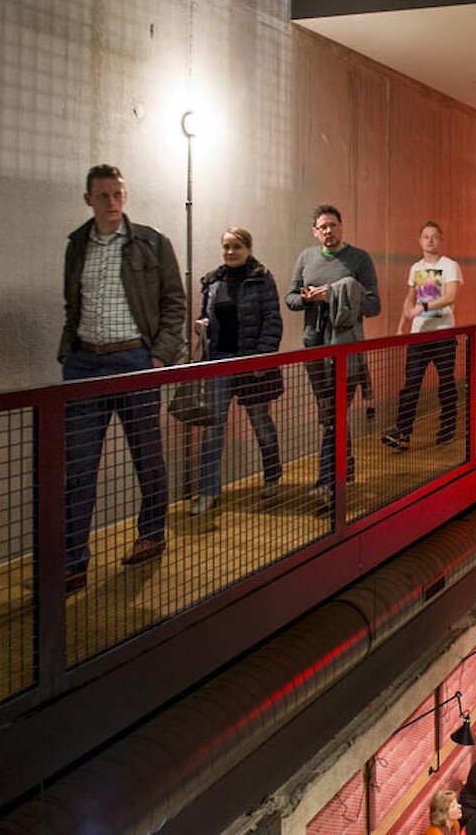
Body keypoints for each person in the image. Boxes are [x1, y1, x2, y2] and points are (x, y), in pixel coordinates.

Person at [59, 165, 184, 591]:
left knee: (146, 454)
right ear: (88, 199)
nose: (112, 202)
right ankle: (73, 560)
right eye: (103, 195)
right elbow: (72, 304)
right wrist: (70, 355)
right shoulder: (77, 245)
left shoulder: (151, 242)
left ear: (125, 195)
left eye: (118, 194)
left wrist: (159, 357)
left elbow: (174, 303)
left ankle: (151, 534)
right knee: (78, 465)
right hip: (84, 364)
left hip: (134, 360)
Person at [286, 204, 380, 492]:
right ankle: (344, 469)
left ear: (341, 227)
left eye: (333, 225)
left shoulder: (359, 259)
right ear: (315, 231)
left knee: (334, 411)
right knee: (330, 412)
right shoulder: (306, 258)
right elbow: (290, 299)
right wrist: (307, 298)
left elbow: (374, 305)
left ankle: (328, 479)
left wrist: (335, 296)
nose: (328, 231)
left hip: (346, 347)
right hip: (314, 344)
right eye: (323, 227)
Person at [191, 227, 283, 514]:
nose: (230, 252)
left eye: (236, 247)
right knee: (213, 427)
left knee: (260, 422)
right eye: (226, 246)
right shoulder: (213, 281)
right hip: (219, 361)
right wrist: (202, 325)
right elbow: (206, 317)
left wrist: (261, 359)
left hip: (251, 364)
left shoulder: (262, 279)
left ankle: (272, 475)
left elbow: (272, 322)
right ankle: (208, 490)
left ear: (248, 249)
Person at [382, 221, 463, 450]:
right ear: (419, 241)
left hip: (443, 334)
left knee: (446, 382)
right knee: (411, 384)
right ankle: (403, 433)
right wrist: (402, 326)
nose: (430, 240)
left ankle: (447, 427)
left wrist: (423, 308)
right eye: (426, 237)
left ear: (440, 240)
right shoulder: (416, 268)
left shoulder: (449, 265)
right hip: (419, 335)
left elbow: (450, 296)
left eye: (434, 236)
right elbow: (410, 298)